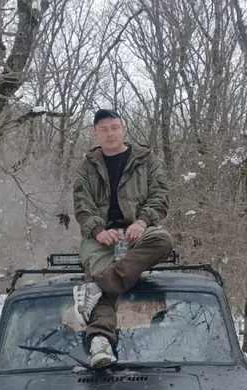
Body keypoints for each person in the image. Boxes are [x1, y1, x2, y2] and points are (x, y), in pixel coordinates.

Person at [72, 108, 173, 368]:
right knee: (99, 270)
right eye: (103, 129)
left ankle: (98, 287)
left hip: (137, 232)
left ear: (123, 129)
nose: (110, 134)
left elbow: (160, 196)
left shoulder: (146, 160)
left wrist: (142, 221)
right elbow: (82, 205)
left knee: (162, 240)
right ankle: (100, 342)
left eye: (114, 127)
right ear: (95, 133)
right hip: (101, 237)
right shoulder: (87, 167)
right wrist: (98, 230)